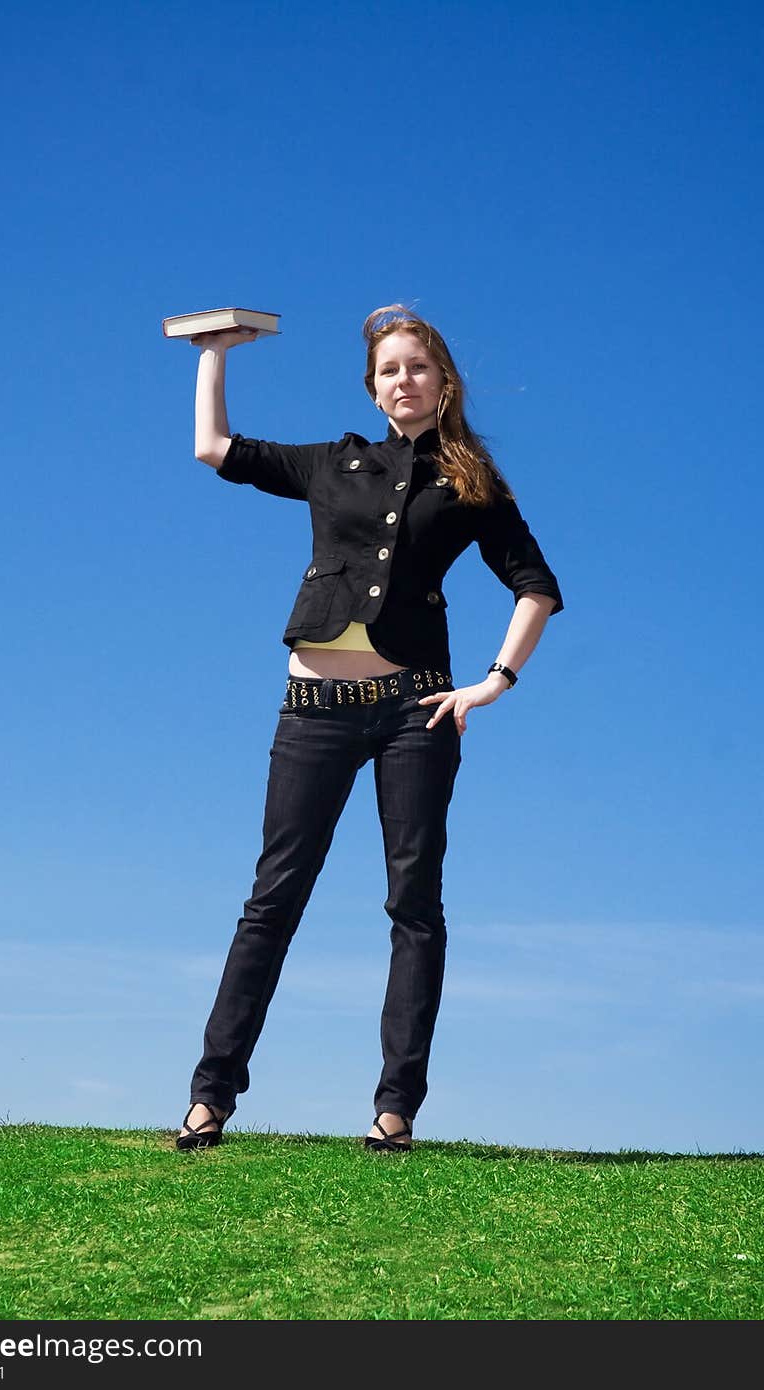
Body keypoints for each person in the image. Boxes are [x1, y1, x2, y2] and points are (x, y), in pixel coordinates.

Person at [176, 304, 563, 1154]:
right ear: (372, 387)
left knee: (413, 906)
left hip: (414, 714)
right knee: (273, 900)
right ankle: (210, 1097)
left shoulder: (473, 483)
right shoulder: (332, 462)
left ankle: (395, 1112)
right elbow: (217, 449)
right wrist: (214, 355)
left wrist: (494, 682)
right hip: (312, 711)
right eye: (389, 370)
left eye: (416, 367)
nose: (403, 381)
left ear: (444, 380)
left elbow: (536, 586)